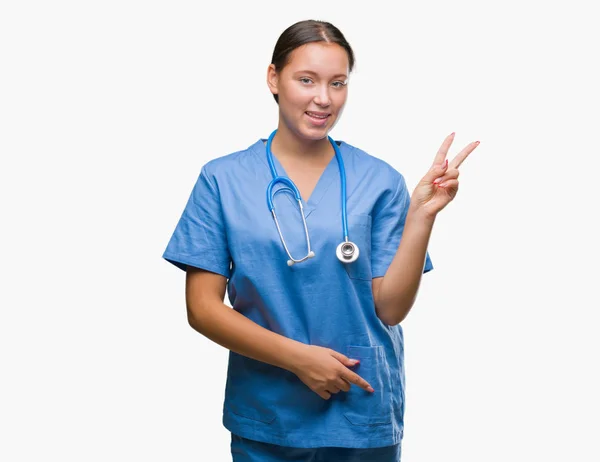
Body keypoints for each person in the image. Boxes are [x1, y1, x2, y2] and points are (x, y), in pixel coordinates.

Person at [162, 19, 479, 462]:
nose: (323, 98)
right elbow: (202, 308)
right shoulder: (223, 179)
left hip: (361, 413)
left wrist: (422, 216)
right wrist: (299, 359)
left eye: (338, 83)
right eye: (306, 80)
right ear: (274, 78)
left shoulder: (380, 180)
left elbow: (390, 308)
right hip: (269, 416)